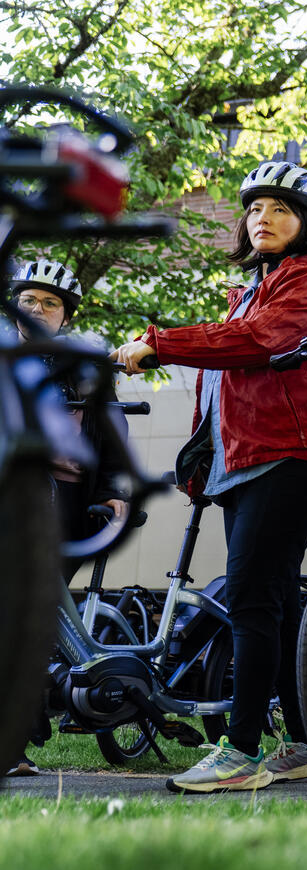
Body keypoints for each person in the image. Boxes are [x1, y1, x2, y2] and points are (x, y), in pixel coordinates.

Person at [111, 162, 307, 792]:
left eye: (279, 209)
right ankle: (302, 742)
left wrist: (161, 342)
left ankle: (240, 750)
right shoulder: (251, 288)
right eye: (254, 209)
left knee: (248, 595)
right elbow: (224, 380)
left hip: (292, 455)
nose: (261, 218)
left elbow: (256, 342)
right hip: (247, 463)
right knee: (268, 599)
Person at [5, 259, 129, 777]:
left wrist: (117, 492)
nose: (37, 309)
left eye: (49, 303)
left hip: (65, 503)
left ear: (64, 315)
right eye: (28, 300)